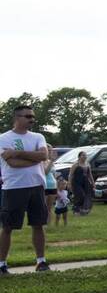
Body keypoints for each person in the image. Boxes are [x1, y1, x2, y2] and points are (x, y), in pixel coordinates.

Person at [0, 106, 53, 275]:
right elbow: (12, 164)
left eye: (33, 116)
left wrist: (16, 152)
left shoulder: (38, 136)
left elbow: (44, 156)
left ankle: (41, 261)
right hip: (14, 187)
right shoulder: (3, 138)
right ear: (17, 118)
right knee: (8, 226)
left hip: (36, 186)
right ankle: (2, 264)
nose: (32, 119)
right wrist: (34, 158)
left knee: (38, 224)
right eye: (28, 116)